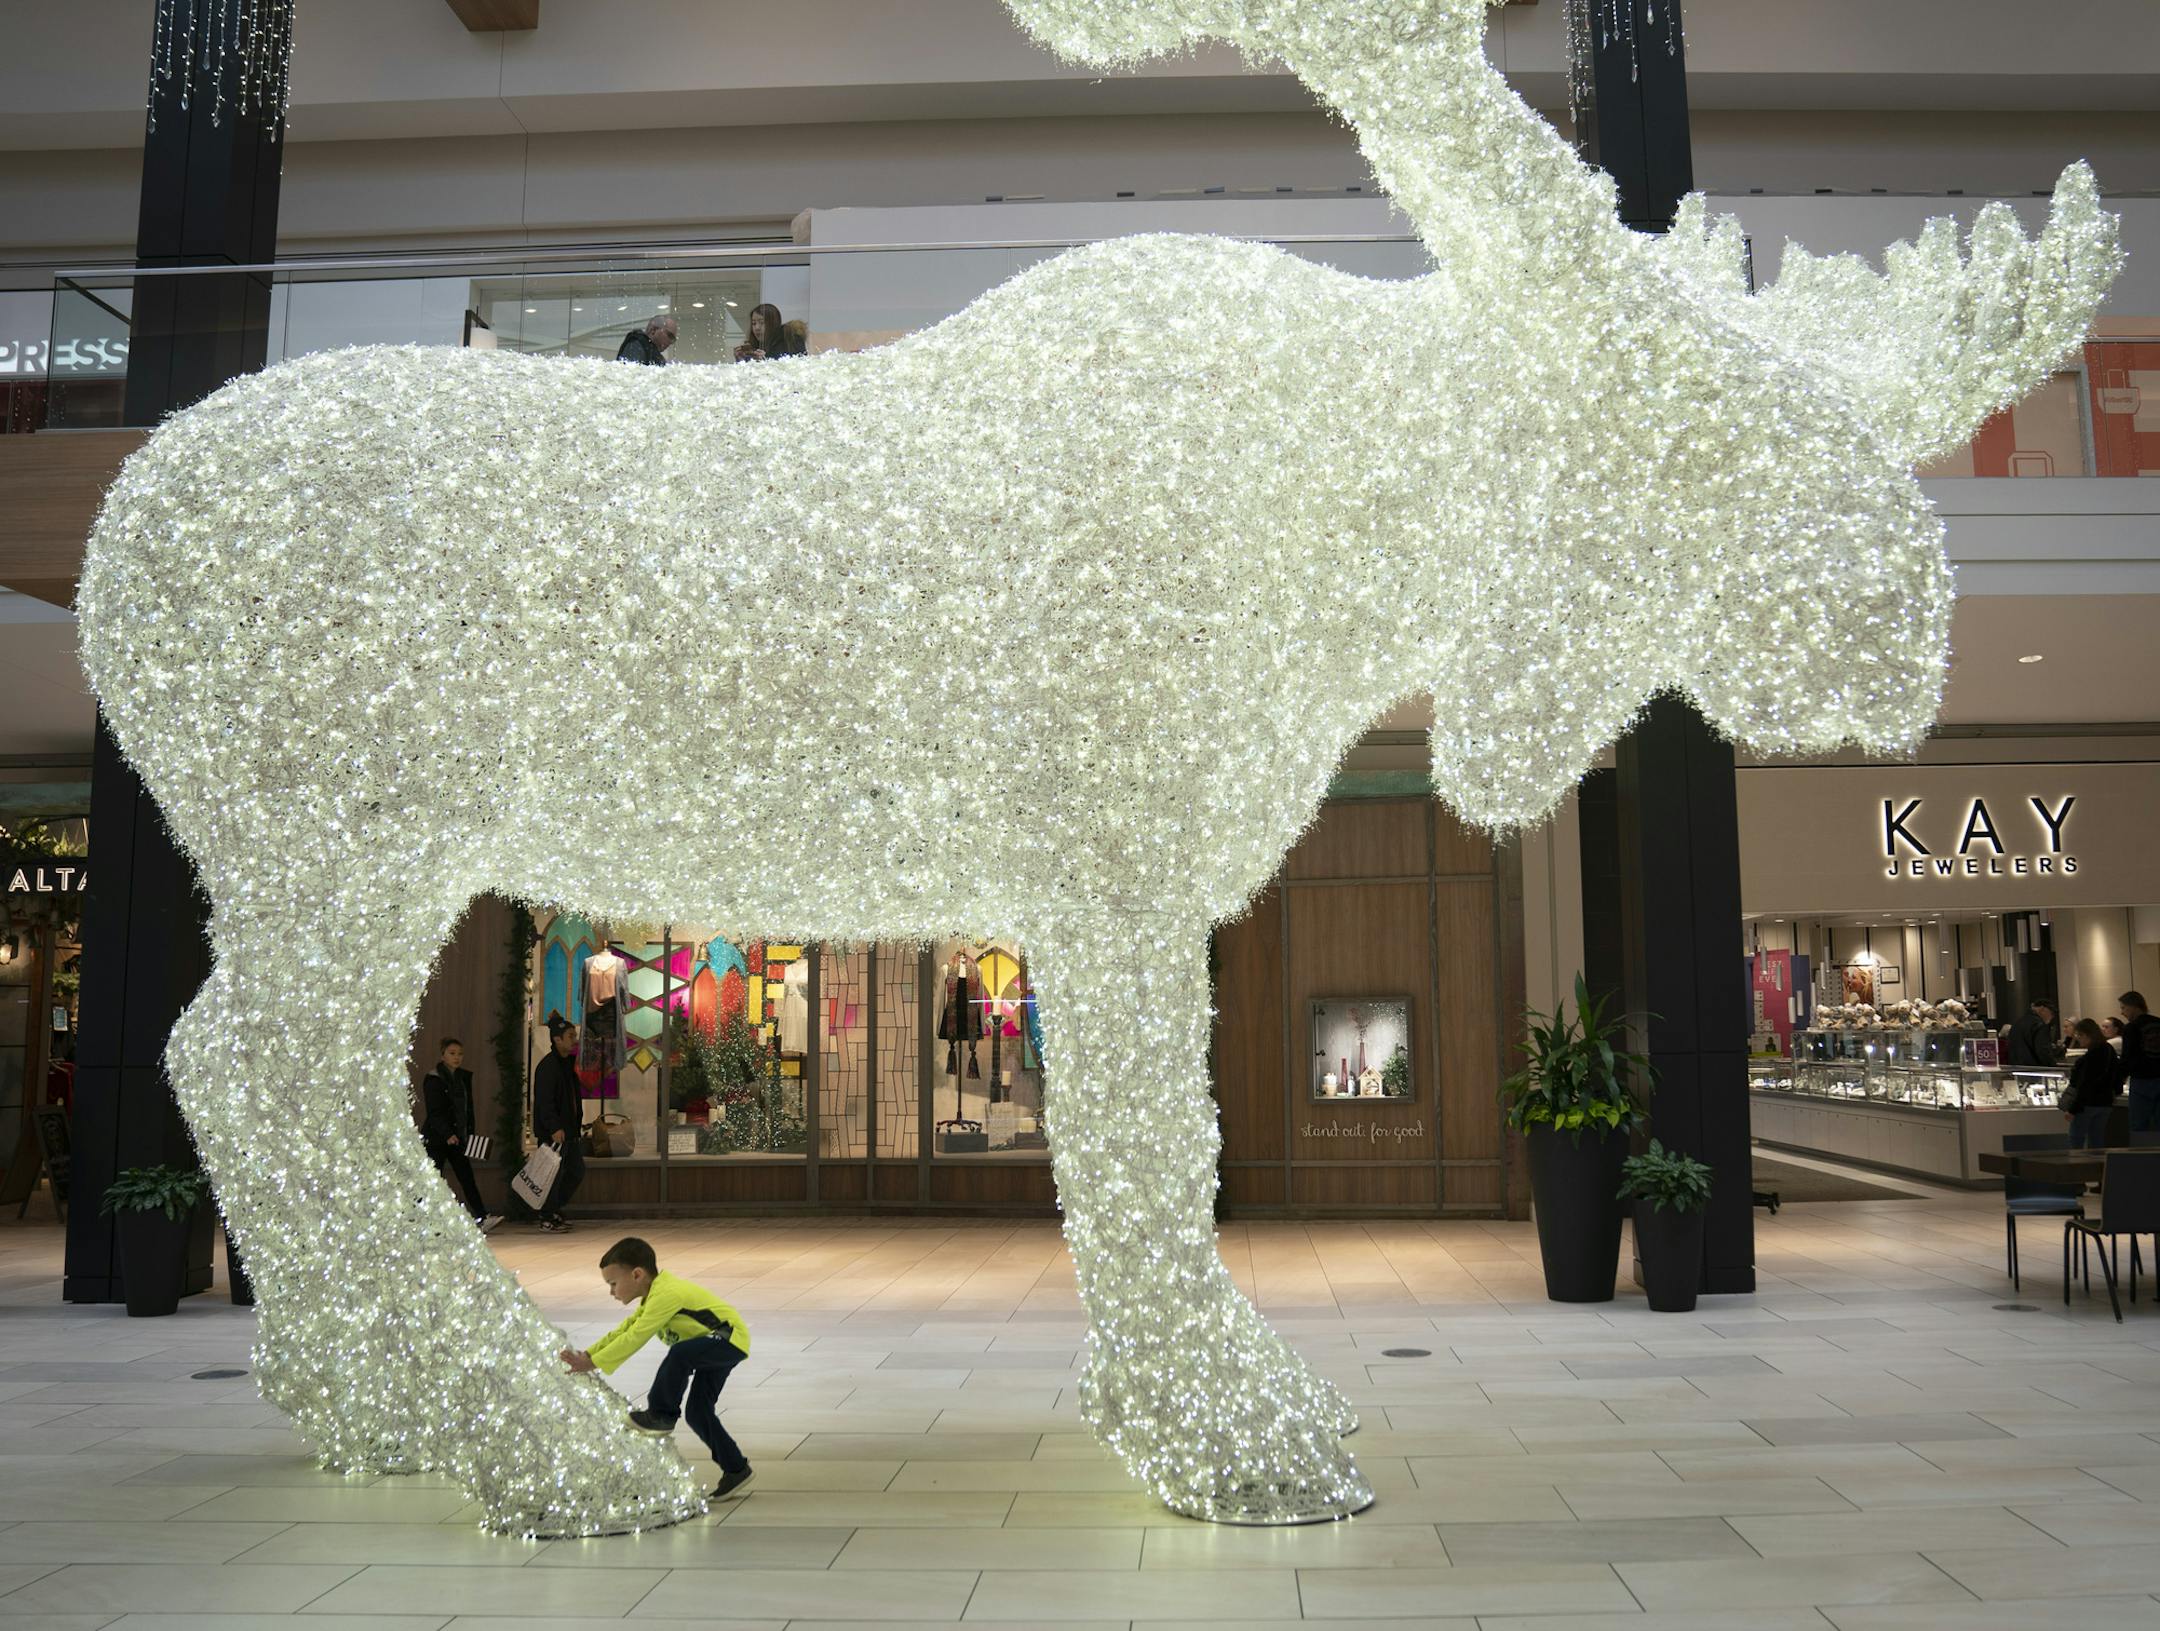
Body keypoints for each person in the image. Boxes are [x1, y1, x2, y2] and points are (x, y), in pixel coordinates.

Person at [560, 1236, 754, 1500]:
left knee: (680, 1353)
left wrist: (593, 1363)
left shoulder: (666, 1294)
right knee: (698, 1412)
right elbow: (625, 1329)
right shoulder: (652, 1297)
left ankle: (661, 1414)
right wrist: (590, 1354)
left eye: (613, 1284)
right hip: (712, 1346)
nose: (612, 1292)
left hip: (726, 1339)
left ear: (637, 1274)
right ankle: (736, 1468)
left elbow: (636, 1336)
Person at [422, 1038, 500, 1232]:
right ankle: (427, 1219)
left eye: (460, 1054)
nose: (457, 1057)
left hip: (459, 1137)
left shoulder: (463, 1078)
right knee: (434, 1178)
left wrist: (468, 1134)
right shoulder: (434, 1079)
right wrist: (447, 1133)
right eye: (452, 1053)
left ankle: (482, 1216)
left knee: (466, 1177)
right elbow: (434, 1111)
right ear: (443, 1055)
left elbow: (466, 1110)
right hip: (438, 1138)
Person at [532, 1013, 586, 1231]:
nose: (575, 1040)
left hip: (570, 1131)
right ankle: (546, 1215)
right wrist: (554, 1127)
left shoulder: (566, 1065)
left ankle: (554, 1208)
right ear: (557, 1039)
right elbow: (545, 1101)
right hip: (554, 1132)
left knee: (575, 1171)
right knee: (551, 1174)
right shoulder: (548, 1067)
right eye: (570, 1036)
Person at [2060, 1017, 2122, 1149]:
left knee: (2076, 1138)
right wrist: (2116, 1093)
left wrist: (2073, 1109)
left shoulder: (2092, 1055)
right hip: (2105, 1103)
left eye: (2079, 1036)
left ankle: (2077, 1167)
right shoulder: (2108, 1049)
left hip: (2087, 1105)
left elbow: (2085, 1084)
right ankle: (2097, 1167)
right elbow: (2117, 1074)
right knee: (2097, 1139)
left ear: (2086, 1035)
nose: (2078, 1039)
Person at [2121, 992, 2160, 1133]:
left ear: (2134, 1006)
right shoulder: (2158, 1022)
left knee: (2139, 1126)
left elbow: (2127, 1057)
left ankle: (2141, 1153)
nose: (2122, 1012)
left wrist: (2119, 1081)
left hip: (2141, 1080)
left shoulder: (2131, 1027)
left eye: (2124, 1008)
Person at [2006, 999, 2060, 1069]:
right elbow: (2043, 1051)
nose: (2051, 1017)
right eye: (2051, 1013)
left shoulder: (2018, 1023)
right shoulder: (2039, 1025)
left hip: (2016, 1068)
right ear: (2042, 1009)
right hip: (2034, 1069)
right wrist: (2054, 1067)